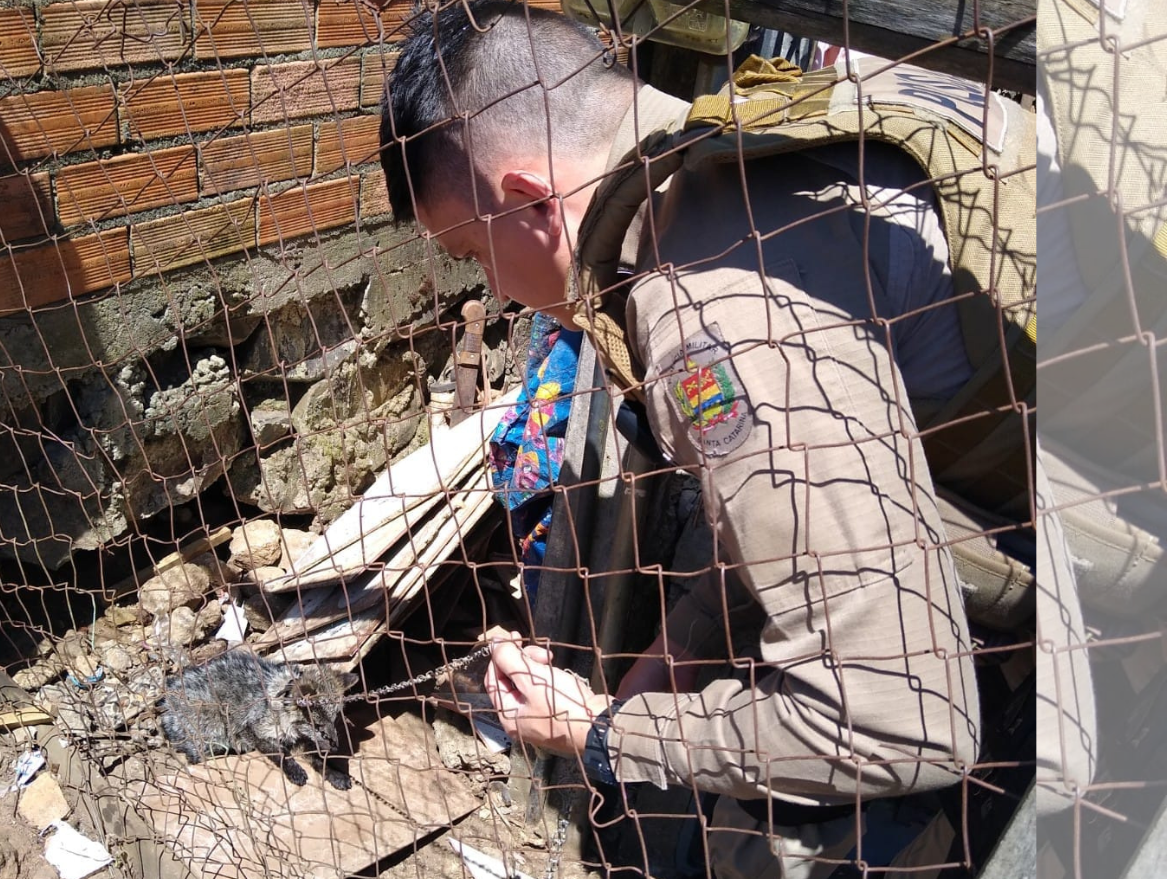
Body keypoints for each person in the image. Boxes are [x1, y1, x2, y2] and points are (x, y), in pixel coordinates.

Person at [380, 3, 1027, 876]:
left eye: (471, 254)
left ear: (530, 201)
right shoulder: (729, 157)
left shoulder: (704, 314)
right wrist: (671, 658)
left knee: (780, 842)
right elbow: (788, 512)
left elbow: (901, 720)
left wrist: (608, 735)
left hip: (1102, 584)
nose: (495, 293)